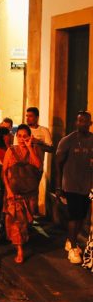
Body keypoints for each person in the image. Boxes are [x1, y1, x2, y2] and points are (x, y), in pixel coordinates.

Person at [56, 111, 93, 264]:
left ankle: (71, 240)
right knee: (74, 217)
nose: (82, 123)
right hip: (71, 185)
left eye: (85, 121)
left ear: (90, 123)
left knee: (82, 217)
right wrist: (58, 186)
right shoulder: (67, 141)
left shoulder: (92, 139)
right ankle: (72, 247)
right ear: (76, 123)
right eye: (80, 121)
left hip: (86, 185)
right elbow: (58, 164)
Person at [2, 124, 42, 263]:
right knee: (17, 223)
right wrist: (8, 190)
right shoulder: (11, 151)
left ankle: (24, 240)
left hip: (30, 194)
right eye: (19, 136)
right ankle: (20, 250)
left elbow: (38, 165)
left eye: (25, 136)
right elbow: (4, 172)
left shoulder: (34, 150)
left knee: (27, 221)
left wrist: (30, 147)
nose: (21, 139)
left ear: (29, 137)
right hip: (14, 194)